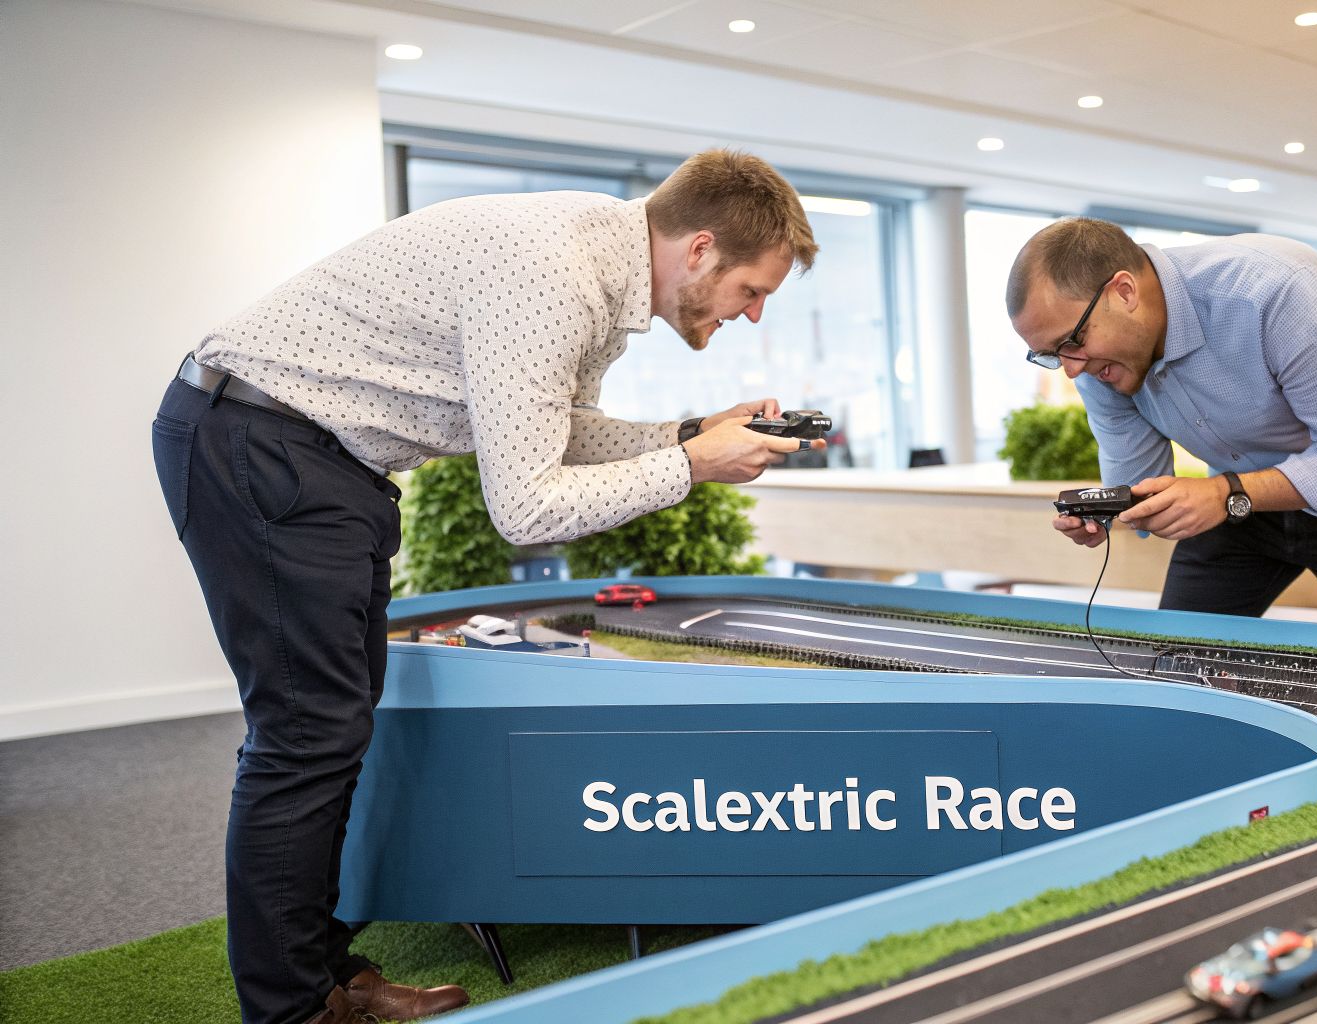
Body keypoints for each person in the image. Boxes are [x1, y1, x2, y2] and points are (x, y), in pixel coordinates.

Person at [149, 149, 821, 1024]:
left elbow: (556, 433)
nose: (756, 315)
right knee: (304, 736)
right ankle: (292, 1012)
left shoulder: (596, 268)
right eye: (752, 291)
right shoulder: (553, 274)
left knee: (332, 727)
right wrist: (691, 464)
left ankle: (324, 978)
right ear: (699, 250)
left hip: (314, 460)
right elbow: (529, 506)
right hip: (263, 446)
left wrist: (688, 432)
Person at [1007, 217, 1317, 630]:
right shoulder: (1096, 360)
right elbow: (1139, 482)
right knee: (1180, 653)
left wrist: (1225, 493)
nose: (1070, 370)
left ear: (1124, 291)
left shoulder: (1277, 287)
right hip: (1239, 489)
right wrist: (1105, 513)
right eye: (1050, 354)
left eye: (1071, 343)